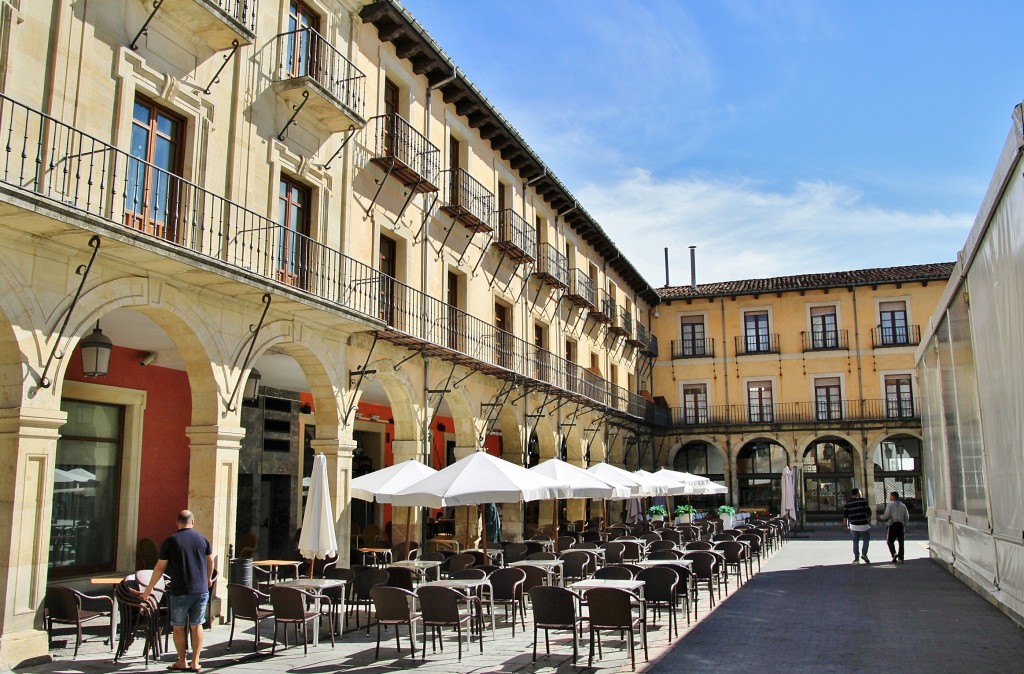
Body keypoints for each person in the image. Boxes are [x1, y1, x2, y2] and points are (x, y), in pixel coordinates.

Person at [139, 510, 214, 673]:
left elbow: (159, 568)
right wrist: (207, 579)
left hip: (179, 590)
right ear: (192, 522)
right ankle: (195, 662)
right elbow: (210, 561)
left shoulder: (170, 541)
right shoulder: (202, 539)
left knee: (178, 627)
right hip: (200, 591)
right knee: (197, 625)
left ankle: (182, 661)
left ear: (177, 522)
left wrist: (148, 589)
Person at [878, 491, 911, 563]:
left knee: (890, 541)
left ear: (893, 497)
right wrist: (904, 524)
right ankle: (901, 558)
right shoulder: (903, 505)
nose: (889, 498)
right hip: (901, 525)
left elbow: (887, 515)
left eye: (890, 496)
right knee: (901, 542)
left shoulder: (890, 504)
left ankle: (894, 553)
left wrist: (880, 517)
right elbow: (907, 516)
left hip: (892, 524)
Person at [843, 488, 872, 564]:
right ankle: (864, 554)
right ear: (857, 493)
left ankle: (856, 559)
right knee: (866, 539)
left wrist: (845, 526)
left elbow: (845, 516)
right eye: (860, 492)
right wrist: (868, 522)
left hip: (853, 525)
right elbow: (869, 513)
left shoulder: (848, 503)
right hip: (863, 524)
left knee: (855, 541)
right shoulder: (863, 501)